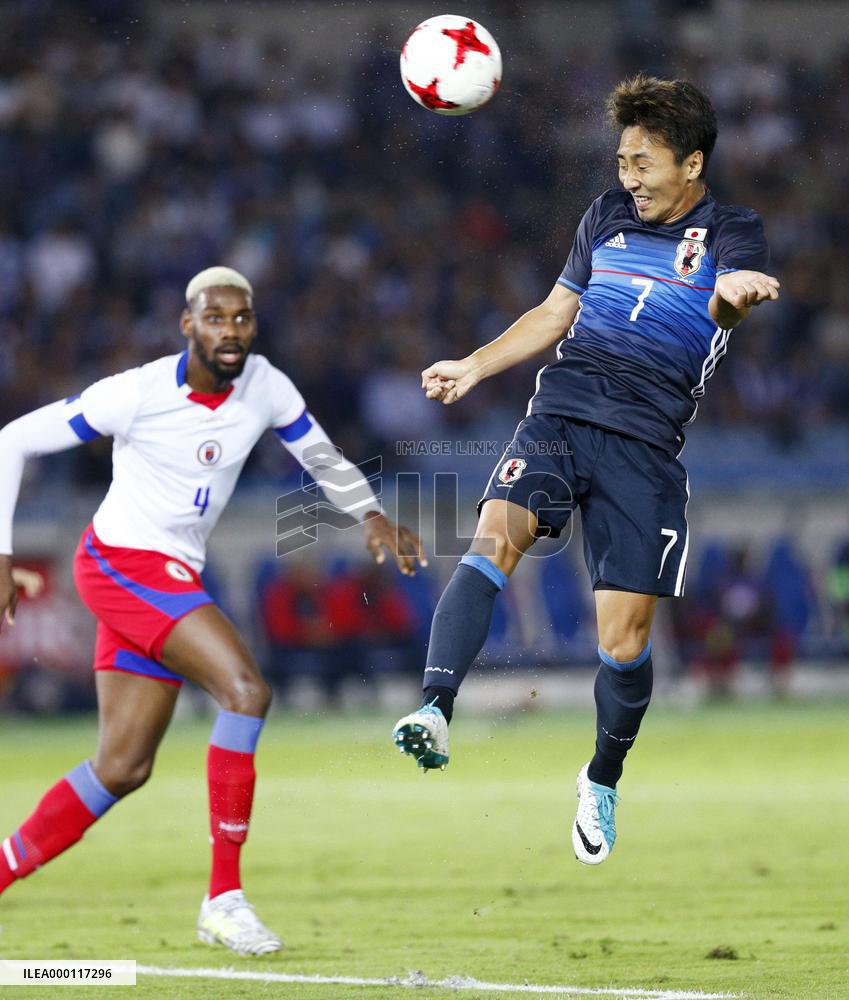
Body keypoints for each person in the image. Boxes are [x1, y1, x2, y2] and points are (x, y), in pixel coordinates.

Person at [392, 75, 779, 865]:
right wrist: (473, 365)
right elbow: (554, 312)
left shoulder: (733, 229)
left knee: (625, 641)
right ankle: (434, 707)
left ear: (691, 163)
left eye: (643, 162)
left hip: (643, 447)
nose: (627, 176)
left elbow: (721, 305)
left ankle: (601, 776)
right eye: (621, 160)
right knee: (494, 535)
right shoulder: (603, 216)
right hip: (560, 416)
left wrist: (733, 296)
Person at [0, 266, 426, 954]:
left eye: (242, 319)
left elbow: (319, 454)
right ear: (188, 324)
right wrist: (1, 554)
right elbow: (12, 439)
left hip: (169, 574)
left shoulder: (265, 384)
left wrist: (372, 516)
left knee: (121, 768)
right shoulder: (135, 393)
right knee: (246, 690)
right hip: (120, 564)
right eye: (216, 318)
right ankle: (223, 900)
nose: (230, 332)